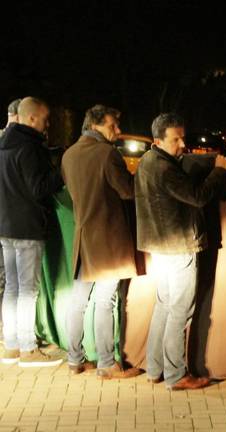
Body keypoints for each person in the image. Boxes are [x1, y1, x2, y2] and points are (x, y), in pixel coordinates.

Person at [135, 113, 226, 390]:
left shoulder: (148, 162)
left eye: (182, 137)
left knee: (165, 306)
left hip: (160, 245)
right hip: (178, 246)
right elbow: (198, 197)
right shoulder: (165, 168)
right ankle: (176, 375)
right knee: (180, 310)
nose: (182, 145)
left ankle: (155, 368)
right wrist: (219, 170)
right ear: (158, 141)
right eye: (175, 139)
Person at [61, 105, 142, 378]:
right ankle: (107, 363)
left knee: (79, 300)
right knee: (105, 301)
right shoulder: (107, 154)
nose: (117, 132)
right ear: (95, 125)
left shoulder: (69, 154)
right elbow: (127, 191)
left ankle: (75, 360)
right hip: (107, 237)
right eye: (112, 126)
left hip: (83, 236)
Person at [0, 97, 64, 366]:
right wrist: (60, 172)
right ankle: (28, 349)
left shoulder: (4, 144)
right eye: (46, 118)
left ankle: (11, 345)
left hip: (6, 225)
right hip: (28, 227)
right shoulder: (30, 147)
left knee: (12, 288)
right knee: (28, 290)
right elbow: (39, 189)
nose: (48, 124)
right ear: (33, 118)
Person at [0, 98, 21, 342]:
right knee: (10, 280)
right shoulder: (13, 143)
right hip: (10, 218)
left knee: (8, 280)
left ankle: (8, 331)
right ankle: (10, 332)